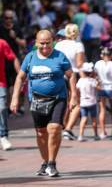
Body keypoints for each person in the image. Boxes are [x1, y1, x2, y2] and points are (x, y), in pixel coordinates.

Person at [10, 30, 77, 177]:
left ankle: (52, 163)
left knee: (54, 128)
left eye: (48, 43)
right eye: (42, 43)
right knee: (41, 132)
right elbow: (20, 78)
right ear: (36, 42)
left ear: (53, 41)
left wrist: (73, 96)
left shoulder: (60, 56)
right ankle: (45, 162)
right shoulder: (30, 57)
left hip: (58, 98)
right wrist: (15, 97)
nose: (45, 46)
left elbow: (71, 76)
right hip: (36, 99)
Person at [55, 23, 85, 141]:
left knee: (66, 102)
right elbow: (79, 64)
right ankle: (68, 129)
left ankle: (62, 126)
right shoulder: (78, 45)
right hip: (74, 75)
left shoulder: (58, 45)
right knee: (77, 103)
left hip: (60, 75)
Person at [94, 47, 112, 139]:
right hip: (111, 88)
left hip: (101, 88)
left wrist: (98, 80)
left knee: (102, 110)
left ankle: (103, 131)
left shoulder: (97, 63)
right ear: (111, 55)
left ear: (102, 55)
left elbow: (94, 75)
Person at [0, 39, 19, 150]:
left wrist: (21, 73)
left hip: (1, 82)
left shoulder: (2, 43)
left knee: (1, 108)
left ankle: (3, 135)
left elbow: (13, 58)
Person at [76, 62, 99, 142]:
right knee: (94, 119)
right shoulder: (92, 81)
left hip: (83, 102)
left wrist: (78, 100)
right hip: (92, 102)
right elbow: (98, 88)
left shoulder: (80, 81)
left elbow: (77, 91)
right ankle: (96, 135)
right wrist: (97, 79)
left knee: (83, 118)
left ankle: (80, 135)